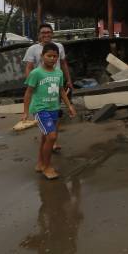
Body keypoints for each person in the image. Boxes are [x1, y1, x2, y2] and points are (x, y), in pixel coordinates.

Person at [22, 43, 76, 180]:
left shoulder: (59, 73)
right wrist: (25, 111)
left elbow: (61, 91)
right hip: (40, 109)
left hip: (54, 108)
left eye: (55, 56)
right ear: (42, 56)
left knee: (45, 137)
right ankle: (47, 166)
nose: (52, 59)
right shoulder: (36, 73)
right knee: (52, 137)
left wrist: (69, 105)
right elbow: (28, 93)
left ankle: (40, 163)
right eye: (49, 56)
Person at [23, 24, 73, 152]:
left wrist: (69, 80)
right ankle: (49, 138)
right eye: (43, 32)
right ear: (39, 34)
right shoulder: (33, 49)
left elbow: (63, 64)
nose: (46, 34)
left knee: (55, 113)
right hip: (41, 86)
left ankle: (53, 140)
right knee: (44, 111)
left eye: (49, 32)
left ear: (52, 33)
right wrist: (31, 84)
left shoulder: (59, 47)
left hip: (56, 84)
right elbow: (29, 67)